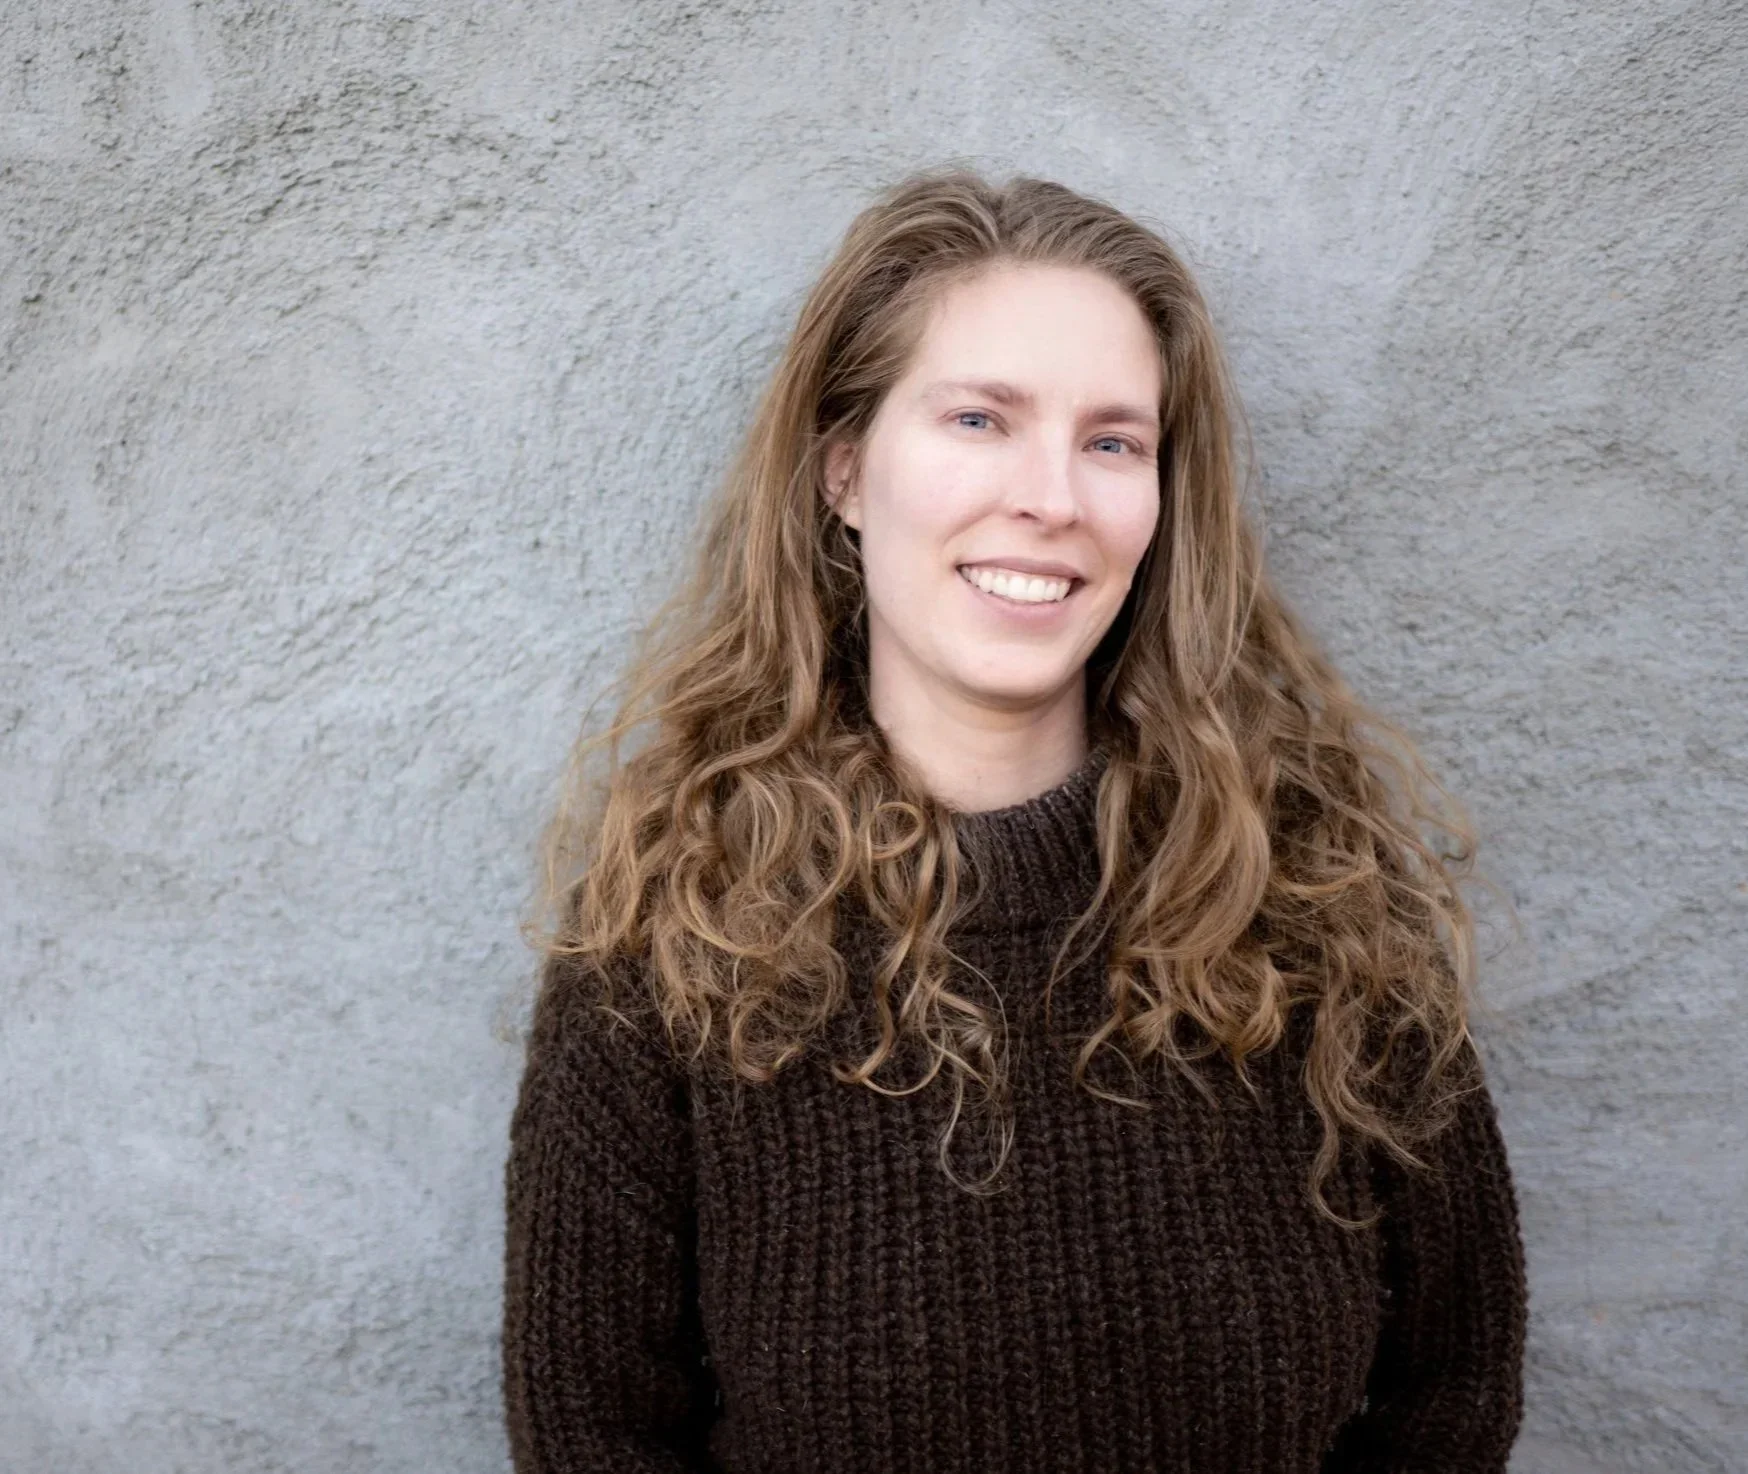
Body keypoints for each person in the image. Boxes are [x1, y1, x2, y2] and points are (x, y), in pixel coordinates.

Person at [501, 167, 1528, 1473]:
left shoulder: (1321, 903)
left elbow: (1452, 1390)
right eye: (980, 419)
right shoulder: (672, 934)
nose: (1051, 495)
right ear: (845, 472)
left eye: (1112, 440)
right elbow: (593, 1435)